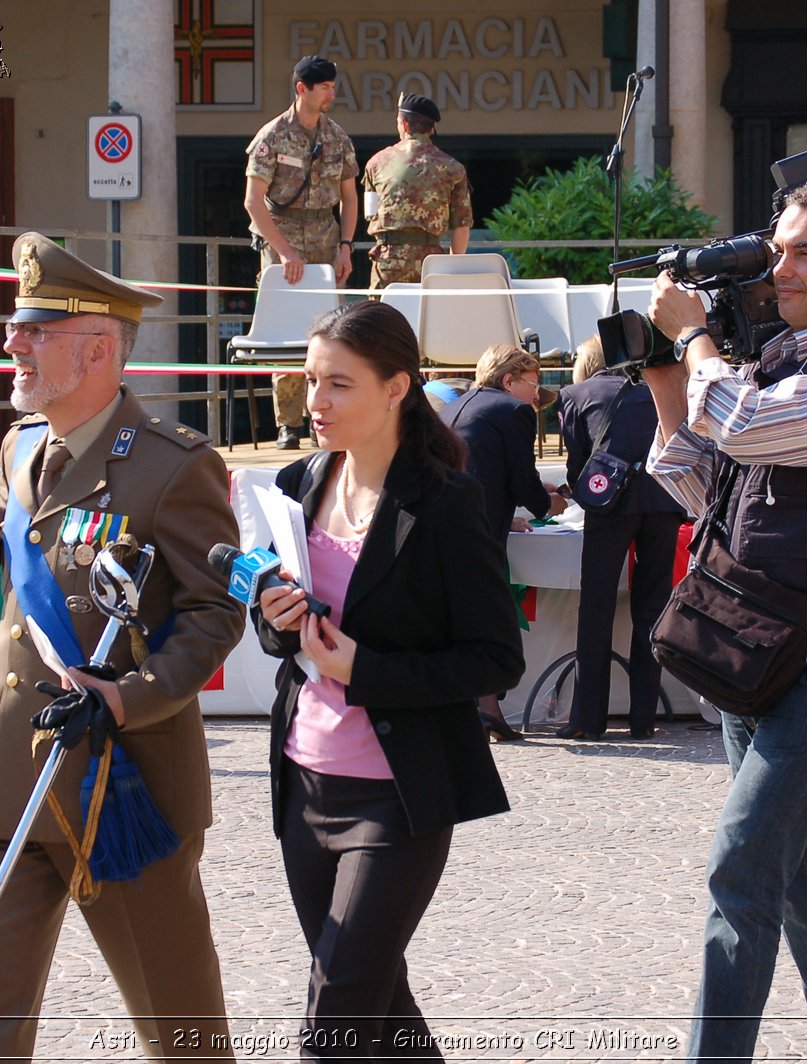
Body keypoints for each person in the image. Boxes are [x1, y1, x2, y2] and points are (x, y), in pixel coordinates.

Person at [0, 232, 245, 1061]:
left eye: (34, 331)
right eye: (16, 328)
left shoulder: (175, 468)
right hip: (10, 782)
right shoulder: (24, 447)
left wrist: (129, 697)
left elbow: (215, 615)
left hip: (119, 788)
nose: (11, 344)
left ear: (98, 349)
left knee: (183, 1034)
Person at [641, 180, 807, 1063]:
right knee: (806, 882)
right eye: (779, 246)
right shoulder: (770, 364)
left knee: (742, 866)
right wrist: (662, 381)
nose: (781, 266)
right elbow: (707, 491)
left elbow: (749, 429)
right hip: (752, 651)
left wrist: (694, 341)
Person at [252, 299, 524, 1060]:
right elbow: (281, 635)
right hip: (305, 783)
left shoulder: (444, 503)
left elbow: (497, 659)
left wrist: (364, 670)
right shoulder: (299, 482)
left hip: (397, 797)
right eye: (310, 381)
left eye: (338, 384)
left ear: (397, 386)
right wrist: (275, 620)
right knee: (383, 1009)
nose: (316, 402)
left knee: (334, 1018)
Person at [553, 336, 685, 741]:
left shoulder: (575, 394)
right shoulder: (657, 391)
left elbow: (578, 466)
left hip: (608, 504)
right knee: (653, 608)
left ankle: (587, 719)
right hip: (664, 500)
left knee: (596, 608)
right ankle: (642, 717)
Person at [440, 344, 567, 739]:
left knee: (464, 620)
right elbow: (522, 479)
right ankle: (488, 710)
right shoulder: (512, 410)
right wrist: (550, 503)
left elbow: (483, 469)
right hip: (475, 534)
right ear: (509, 380)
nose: (536, 394)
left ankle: (480, 710)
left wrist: (508, 508)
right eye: (532, 383)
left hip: (445, 525)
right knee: (490, 619)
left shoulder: (455, 407)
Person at [245, 55, 359, 450]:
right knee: (286, 329)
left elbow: (349, 197)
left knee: (330, 330)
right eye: (324, 86)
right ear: (301, 89)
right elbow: (253, 202)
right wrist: (284, 253)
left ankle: (322, 417)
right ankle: (288, 424)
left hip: (326, 236)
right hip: (283, 232)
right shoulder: (272, 136)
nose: (331, 93)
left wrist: (345, 247)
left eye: (332, 86)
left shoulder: (337, 137)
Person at [361, 92, 473, 290]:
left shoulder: (376, 163)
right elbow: (462, 226)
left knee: (384, 318)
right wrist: (452, 269)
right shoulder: (453, 167)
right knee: (430, 318)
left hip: (388, 261)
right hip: (432, 264)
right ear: (431, 128)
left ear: (404, 125)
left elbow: (370, 213)